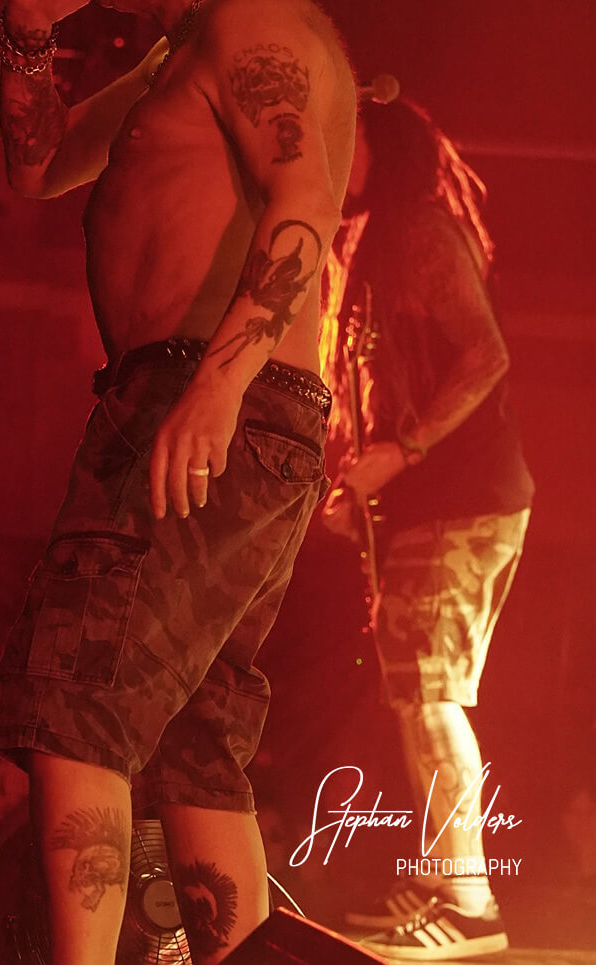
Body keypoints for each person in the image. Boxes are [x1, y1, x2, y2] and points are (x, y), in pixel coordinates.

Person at [0, 0, 353, 965]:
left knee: (74, 697)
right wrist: (30, 30)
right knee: (196, 735)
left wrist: (216, 386)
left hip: (207, 397)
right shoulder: (176, 53)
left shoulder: (254, 26)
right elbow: (38, 167)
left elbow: (302, 205)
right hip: (209, 401)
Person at [321, 97, 533, 958]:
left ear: (388, 148)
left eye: (351, 141)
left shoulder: (417, 230)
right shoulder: (375, 241)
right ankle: (447, 880)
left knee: (433, 694)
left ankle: (472, 903)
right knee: (416, 696)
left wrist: (401, 452)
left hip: (463, 499)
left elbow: (487, 353)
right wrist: (365, 476)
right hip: (430, 503)